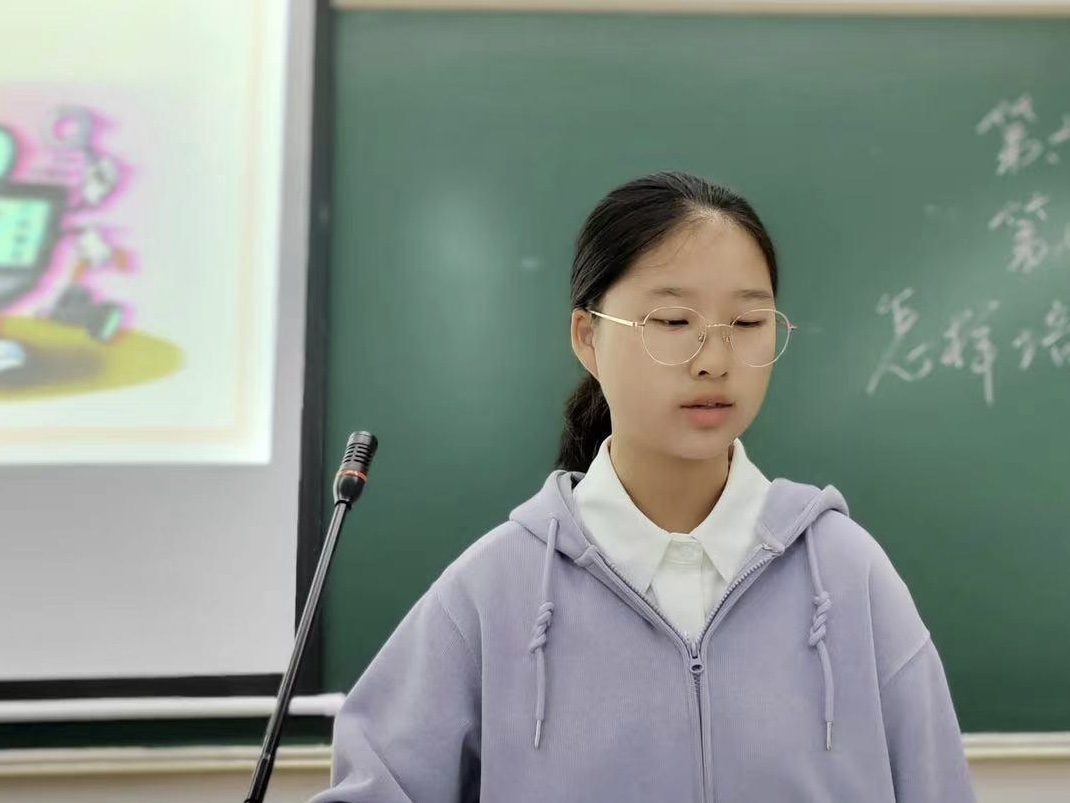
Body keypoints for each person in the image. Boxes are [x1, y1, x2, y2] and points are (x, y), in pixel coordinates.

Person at [311, 171, 976, 802]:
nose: (715, 360)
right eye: (673, 322)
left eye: (748, 324)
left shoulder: (847, 572)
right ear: (587, 337)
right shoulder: (496, 588)